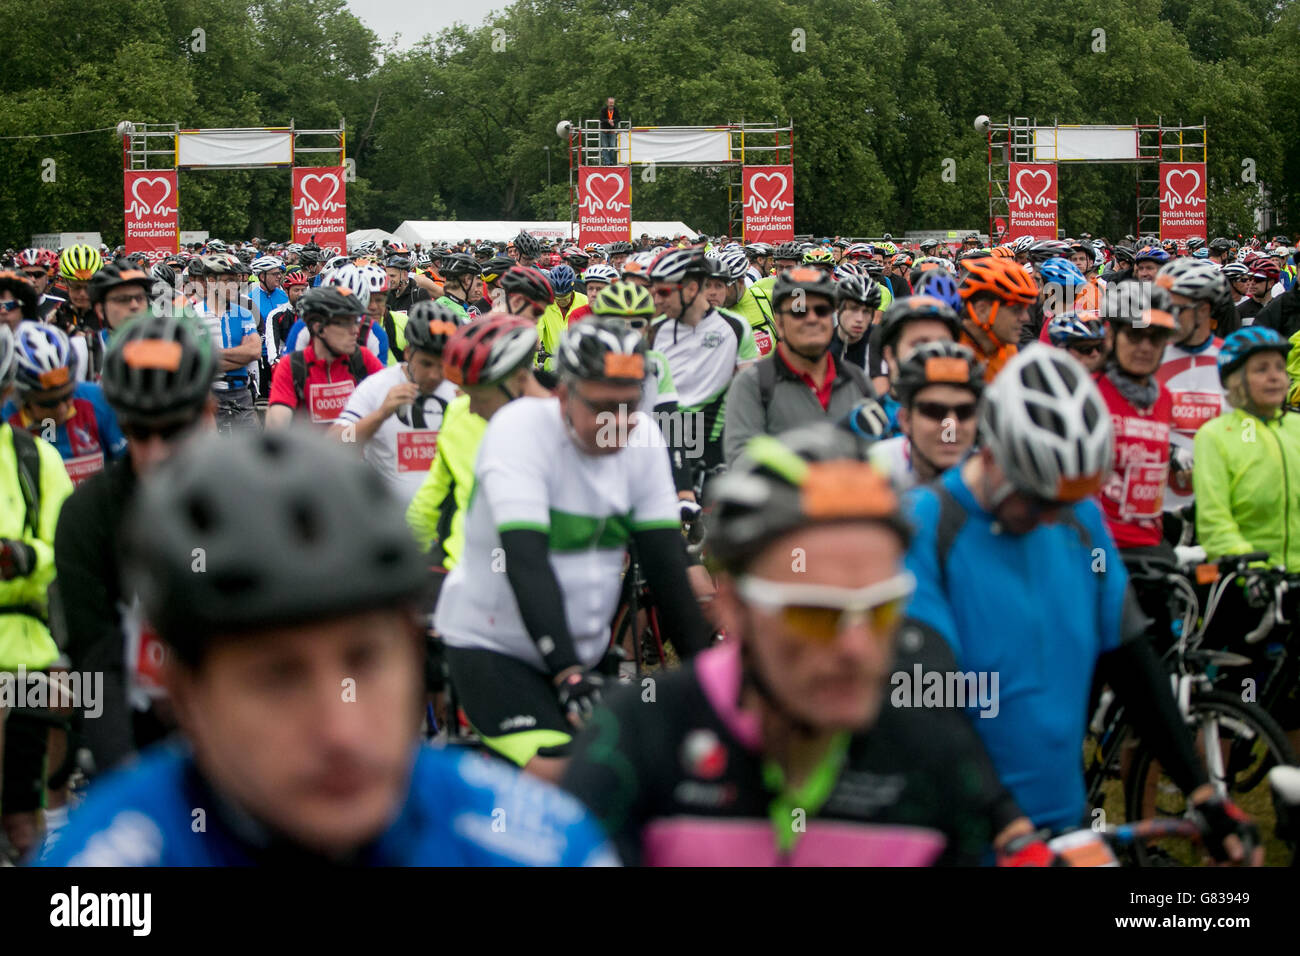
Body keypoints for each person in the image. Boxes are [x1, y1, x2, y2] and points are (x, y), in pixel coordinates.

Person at [38, 426, 616, 866]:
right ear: (185, 695)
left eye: (364, 659)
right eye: (278, 677)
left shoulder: (544, 845)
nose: (341, 732)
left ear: (416, 651)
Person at [562, 424, 1037, 866]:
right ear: (733, 609)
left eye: (880, 610)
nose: (856, 649)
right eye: (814, 614)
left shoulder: (933, 754)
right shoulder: (637, 739)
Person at [901, 344, 1261, 861]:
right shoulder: (925, 526)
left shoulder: (1081, 521)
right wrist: (1005, 822)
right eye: (1035, 496)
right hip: (960, 830)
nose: (1050, 515)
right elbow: (922, 694)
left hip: (1059, 822)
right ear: (992, 449)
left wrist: (1203, 793)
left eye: (1063, 499)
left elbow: (1131, 661)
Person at [433, 319, 714, 781]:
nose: (617, 425)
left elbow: (666, 567)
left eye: (629, 407)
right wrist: (566, 672)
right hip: (494, 647)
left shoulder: (641, 438)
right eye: (603, 408)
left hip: (582, 652)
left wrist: (710, 680)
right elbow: (525, 561)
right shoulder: (518, 430)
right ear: (563, 396)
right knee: (569, 778)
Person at [53, 313, 216, 783]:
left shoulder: (252, 496)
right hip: (138, 714)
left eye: (173, 431)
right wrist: (121, 778)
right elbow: (96, 659)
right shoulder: (88, 512)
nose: (157, 453)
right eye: (140, 434)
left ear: (207, 411)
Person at [0, 323, 74, 861]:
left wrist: (24, 556)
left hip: (22, 643)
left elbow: (59, 550)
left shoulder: (35, 459)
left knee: (22, 819)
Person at [723, 267, 877, 466]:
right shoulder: (753, 384)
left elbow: (875, 455)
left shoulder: (857, 381)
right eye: (799, 311)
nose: (811, 318)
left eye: (821, 311)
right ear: (779, 323)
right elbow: (742, 463)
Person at [330, 301, 460, 506]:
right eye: (426, 364)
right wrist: (380, 415)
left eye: (442, 365)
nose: (435, 375)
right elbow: (335, 441)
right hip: (390, 517)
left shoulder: (460, 389)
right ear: (408, 353)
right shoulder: (377, 386)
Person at [647, 248, 758, 478]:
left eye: (664, 292)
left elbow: (751, 392)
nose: (657, 300)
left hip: (714, 446)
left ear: (692, 289)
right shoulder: (655, 330)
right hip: (665, 439)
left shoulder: (736, 328)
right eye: (655, 292)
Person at [3, 323, 126, 488]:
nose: (62, 409)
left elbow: (128, 469)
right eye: (48, 402)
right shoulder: (6, 420)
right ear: (21, 397)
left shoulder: (96, 400)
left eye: (68, 395)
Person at [1155, 261, 1230, 515]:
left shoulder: (1232, 360)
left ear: (1203, 310)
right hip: (1157, 508)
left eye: (1175, 308)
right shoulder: (1148, 357)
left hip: (1216, 507)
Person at [869, 340, 983, 491]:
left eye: (964, 412)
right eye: (934, 411)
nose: (951, 426)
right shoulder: (874, 466)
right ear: (906, 420)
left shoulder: (993, 477)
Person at [265, 286, 385, 428]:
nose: (355, 331)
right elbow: (278, 420)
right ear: (318, 328)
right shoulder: (292, 365)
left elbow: (387, 398)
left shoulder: (363, 358)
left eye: (356, 322)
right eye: (346, 323)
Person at [190, 256, 261, 432]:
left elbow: (254, 351)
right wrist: (240, 356)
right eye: (228, 281)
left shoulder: (244, 313)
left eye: (235, 280)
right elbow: (195, 361)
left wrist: (213, 355)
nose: (234, 286)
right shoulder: (193, 315)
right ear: (211, 281)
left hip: (242, 392)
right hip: (209, 395)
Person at [956, 256, 1038, 381]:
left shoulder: (1014, 353)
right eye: (1016, 310)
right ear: (982, 310)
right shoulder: (948, 357)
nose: (1026, 318)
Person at [599, 96, 620, 166]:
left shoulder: (616, 110)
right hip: (604, 130)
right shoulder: (603, 110)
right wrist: (608, 121)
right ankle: (607, 162)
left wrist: (613, 121)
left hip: (612, 131)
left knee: (612, 146)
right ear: (607, 103)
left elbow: (619, 118)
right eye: (610, 103)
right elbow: (601, 118)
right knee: (604, 146)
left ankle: (611, 162)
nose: (611, 104)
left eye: (612, 103)